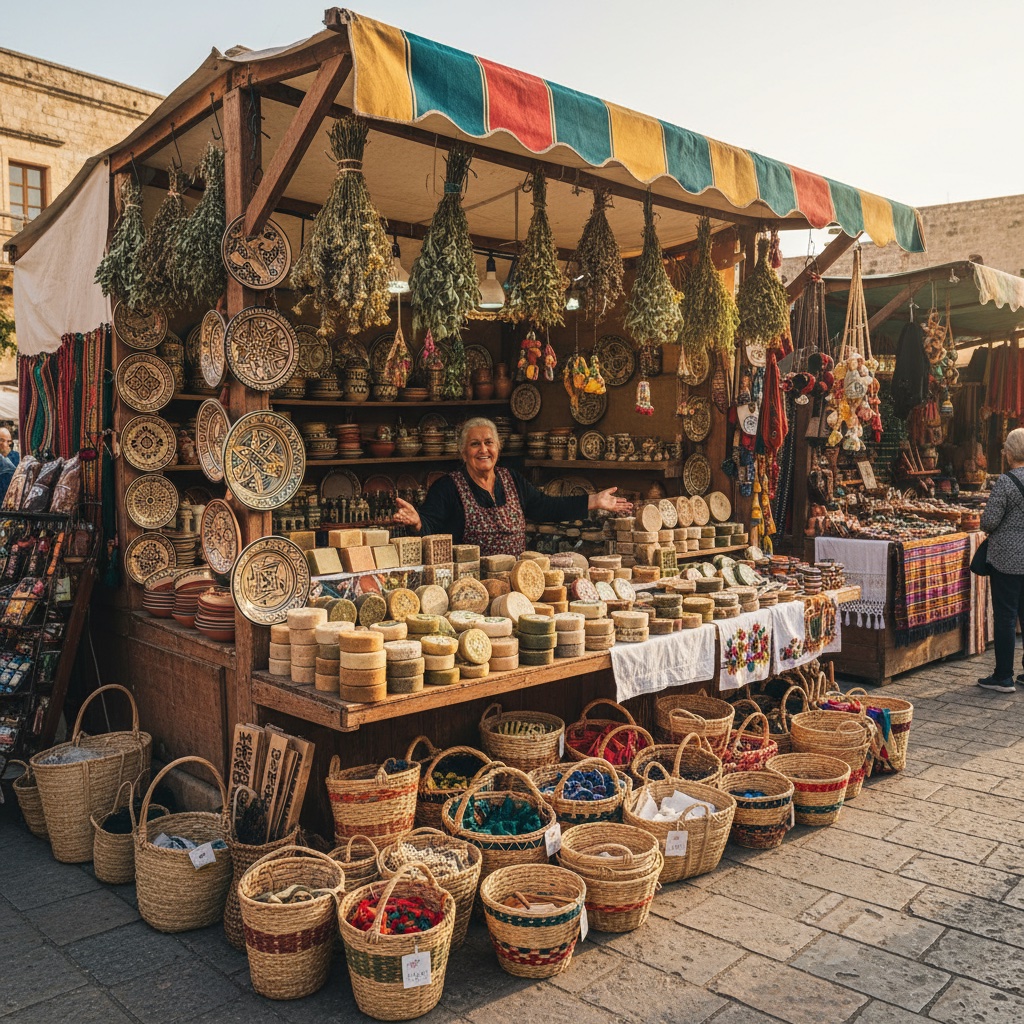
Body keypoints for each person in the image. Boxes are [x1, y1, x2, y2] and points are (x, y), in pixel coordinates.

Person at [393, 417, 632, 556]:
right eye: (475, 444)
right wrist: (418, 522)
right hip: (471, 584)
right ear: (463, 452)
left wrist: (593, 501)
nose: (483, 450)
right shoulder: (448, 487)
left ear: (498, 447)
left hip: (518, 581)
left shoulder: (512, 480)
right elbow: (432, 527)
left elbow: (545, 506)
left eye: (489, 443)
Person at [978, 427, 1024, 692]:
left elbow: (989, 522)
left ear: (1010, 453)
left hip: (1008, 560)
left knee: (1006, 617)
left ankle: (1003, 676)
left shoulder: (1006, 482)